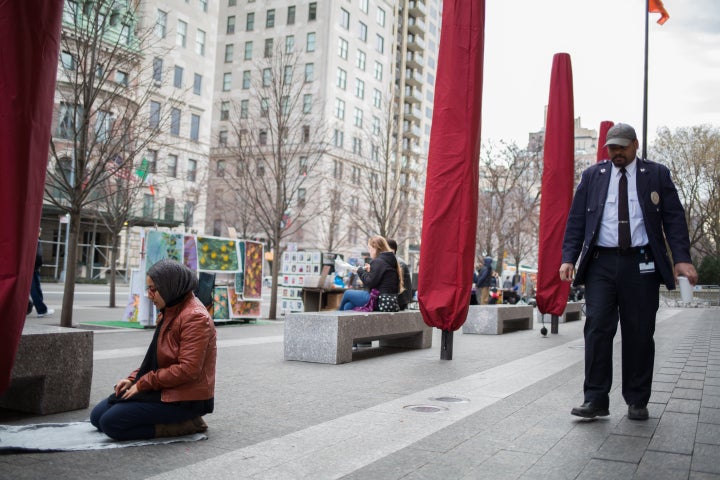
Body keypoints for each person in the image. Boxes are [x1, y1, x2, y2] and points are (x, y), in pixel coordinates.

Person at [559, 123, 697, 421]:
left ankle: (637, 399)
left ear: (635, 144)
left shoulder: (657, 174)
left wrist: (682, 258)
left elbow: (674, 219)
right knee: (597, 328)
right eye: (612, 148)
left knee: (639, 331)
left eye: (622, 146)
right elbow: (576, 221)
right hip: (600, 263)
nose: (617, 153)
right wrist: (568, 257)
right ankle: (595, 398)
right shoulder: (593, 176)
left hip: (641, 263)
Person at [90, 259, 217, 440]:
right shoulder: (170, 309)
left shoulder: (195, 317)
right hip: (164, 387)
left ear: (170, 286)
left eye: (153, 289)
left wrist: (143, 383)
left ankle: (187, 424)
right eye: (148, 288)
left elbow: (188, 370)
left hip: (185, 398)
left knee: (111, 424)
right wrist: (133, 378)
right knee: (97, 416)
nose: (149, 295)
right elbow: (156, 360)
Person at [338, 235, 402, 312]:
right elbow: (377, 280)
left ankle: (335, 317)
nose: (369, 251)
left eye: (369, 248)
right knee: (348, 306)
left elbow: (369, 283)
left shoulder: (378, 261)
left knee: (347, 293)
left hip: (378, 300)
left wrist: (360, 271)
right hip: (388, 301)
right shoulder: (389, 260)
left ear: (375, 248)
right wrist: (368, 272)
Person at [29, 228, 54, 317]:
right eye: (39, 231)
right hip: (32, 268)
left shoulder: (34, 240)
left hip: (33, 267)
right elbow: (37, 255)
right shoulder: (35, 240)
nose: (40, 233)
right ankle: (41, 310)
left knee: (35, 289)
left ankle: (38, 309)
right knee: (35, 289)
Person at [387, 238, 412, 310]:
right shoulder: (397, 261)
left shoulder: (398, 263)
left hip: (399, 300)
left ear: (392, 249)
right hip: (401, 299)